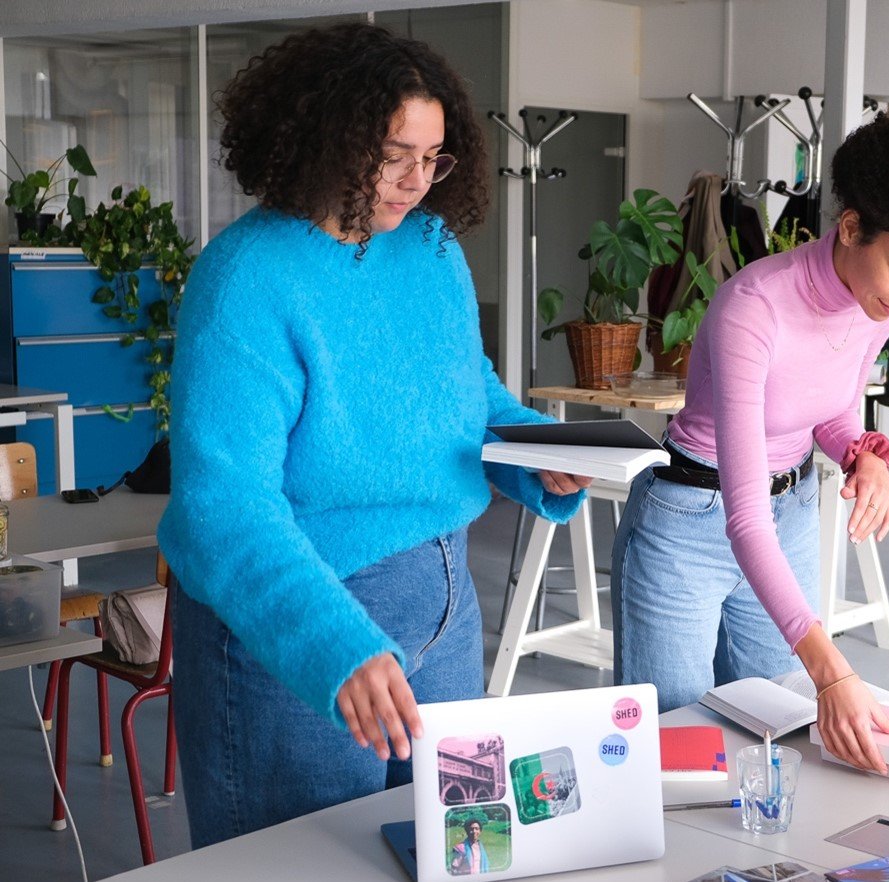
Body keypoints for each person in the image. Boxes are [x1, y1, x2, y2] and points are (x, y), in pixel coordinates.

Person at [158, 23, 590, 847]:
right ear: (326, 138)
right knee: (305, 862)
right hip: (300, 624)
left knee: (458, 848)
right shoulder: (245, 279)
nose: (417, 181)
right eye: (395, 154)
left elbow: (469, 393)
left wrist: (539, 450)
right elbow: (222, 509)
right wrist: (336, 642)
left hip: (447, 609)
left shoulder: (429, 248)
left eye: (434, 158)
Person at [611, 114, 889, 772]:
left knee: (776, 737)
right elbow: (743, 516)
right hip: (692, 525)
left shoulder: (873, 303)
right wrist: (832, 668)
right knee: (672, 747)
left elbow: (831, 406)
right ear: (850, 228)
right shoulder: (753, 308)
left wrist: (864, 454)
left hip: (788, 516)